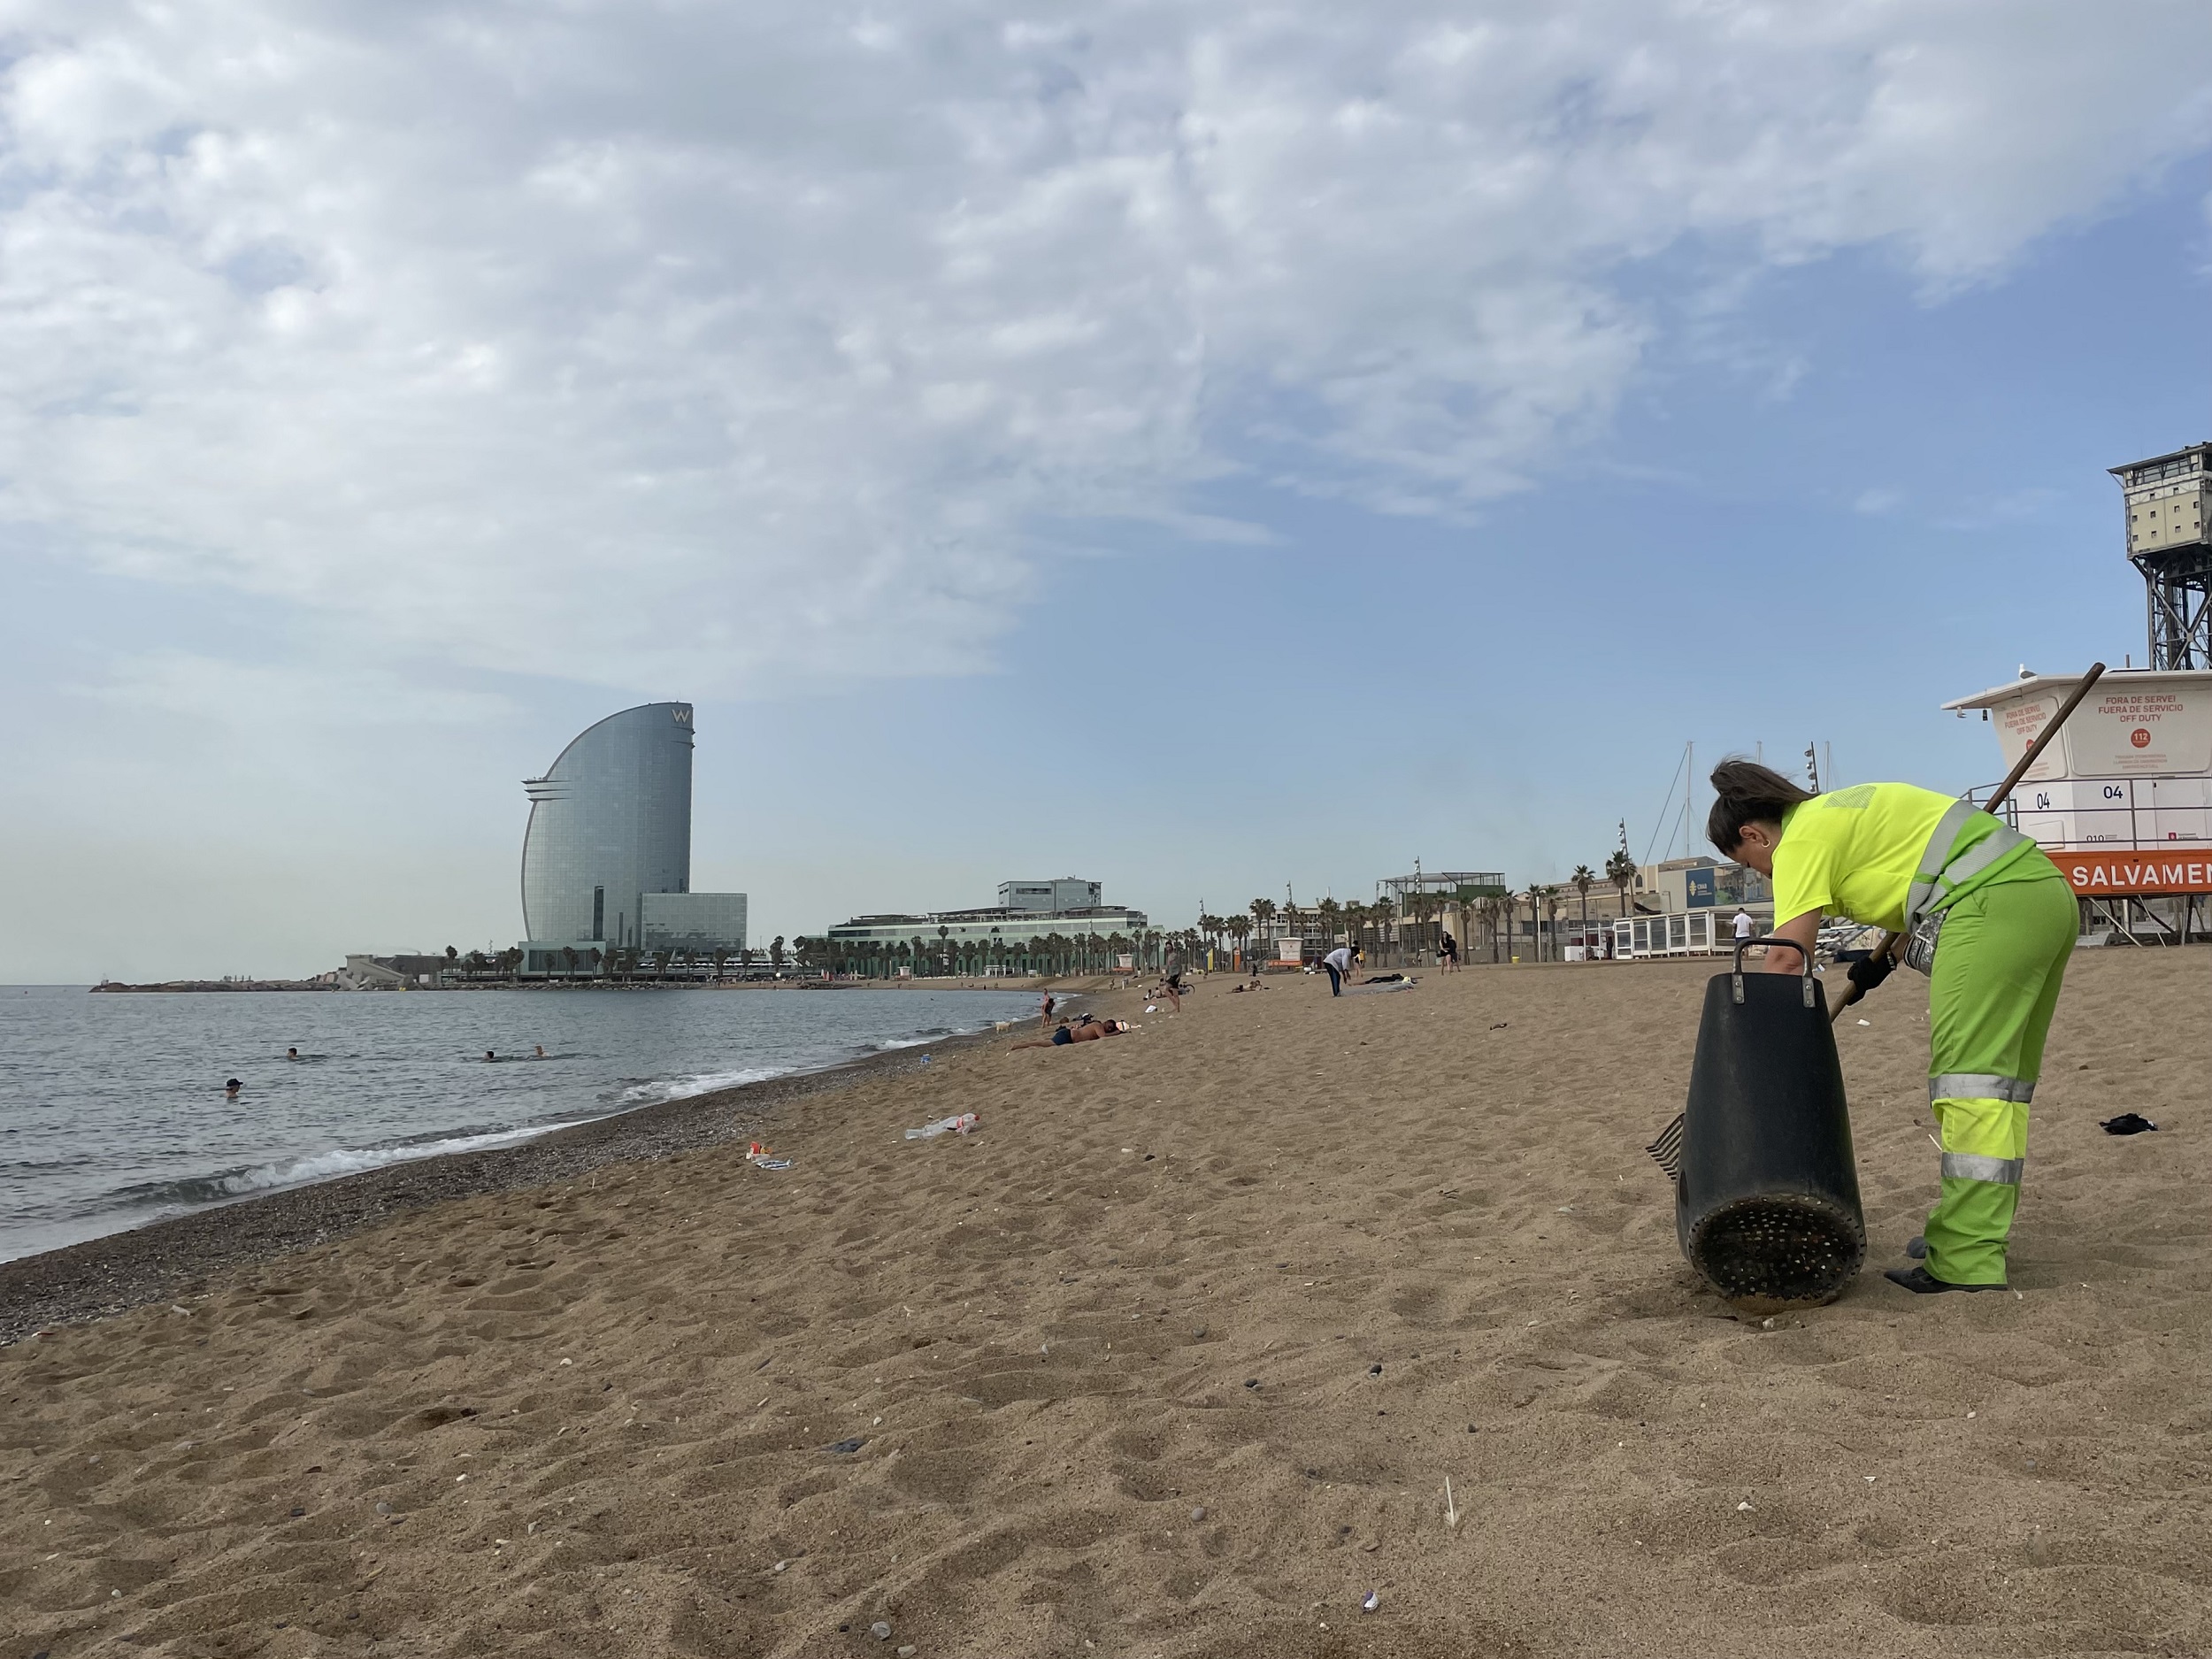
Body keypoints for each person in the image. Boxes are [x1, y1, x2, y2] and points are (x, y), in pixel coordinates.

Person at [1709, 759, 2075, 1296]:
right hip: (2043, 898)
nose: (1765, 875)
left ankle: (1968, 1257)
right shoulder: (1840, 810)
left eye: (1754, 865)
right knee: (2003, 1090)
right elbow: (1905, 886)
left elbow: (1787, 958)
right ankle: (1970, 1230)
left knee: (1970, 1087)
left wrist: (1757, 1052)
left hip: (1989, 906)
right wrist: (1883, 956)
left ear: (1753, 834)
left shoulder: (1801, 840)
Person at [1159, 948, 1184, 1012]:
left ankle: (1175, 1005)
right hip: (1171, 975)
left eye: (1169, 947)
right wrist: (1166, 976)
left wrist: (1179, 976)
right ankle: (1178, 1009)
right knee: (1175, 994)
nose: (1168, 948)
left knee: (1165, 989)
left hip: (1175, 975)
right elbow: (1168, 967)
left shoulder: (1175, 955)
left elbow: (1180, 966)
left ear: (1172, 948)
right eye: (1167, 947)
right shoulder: (1169, 956)